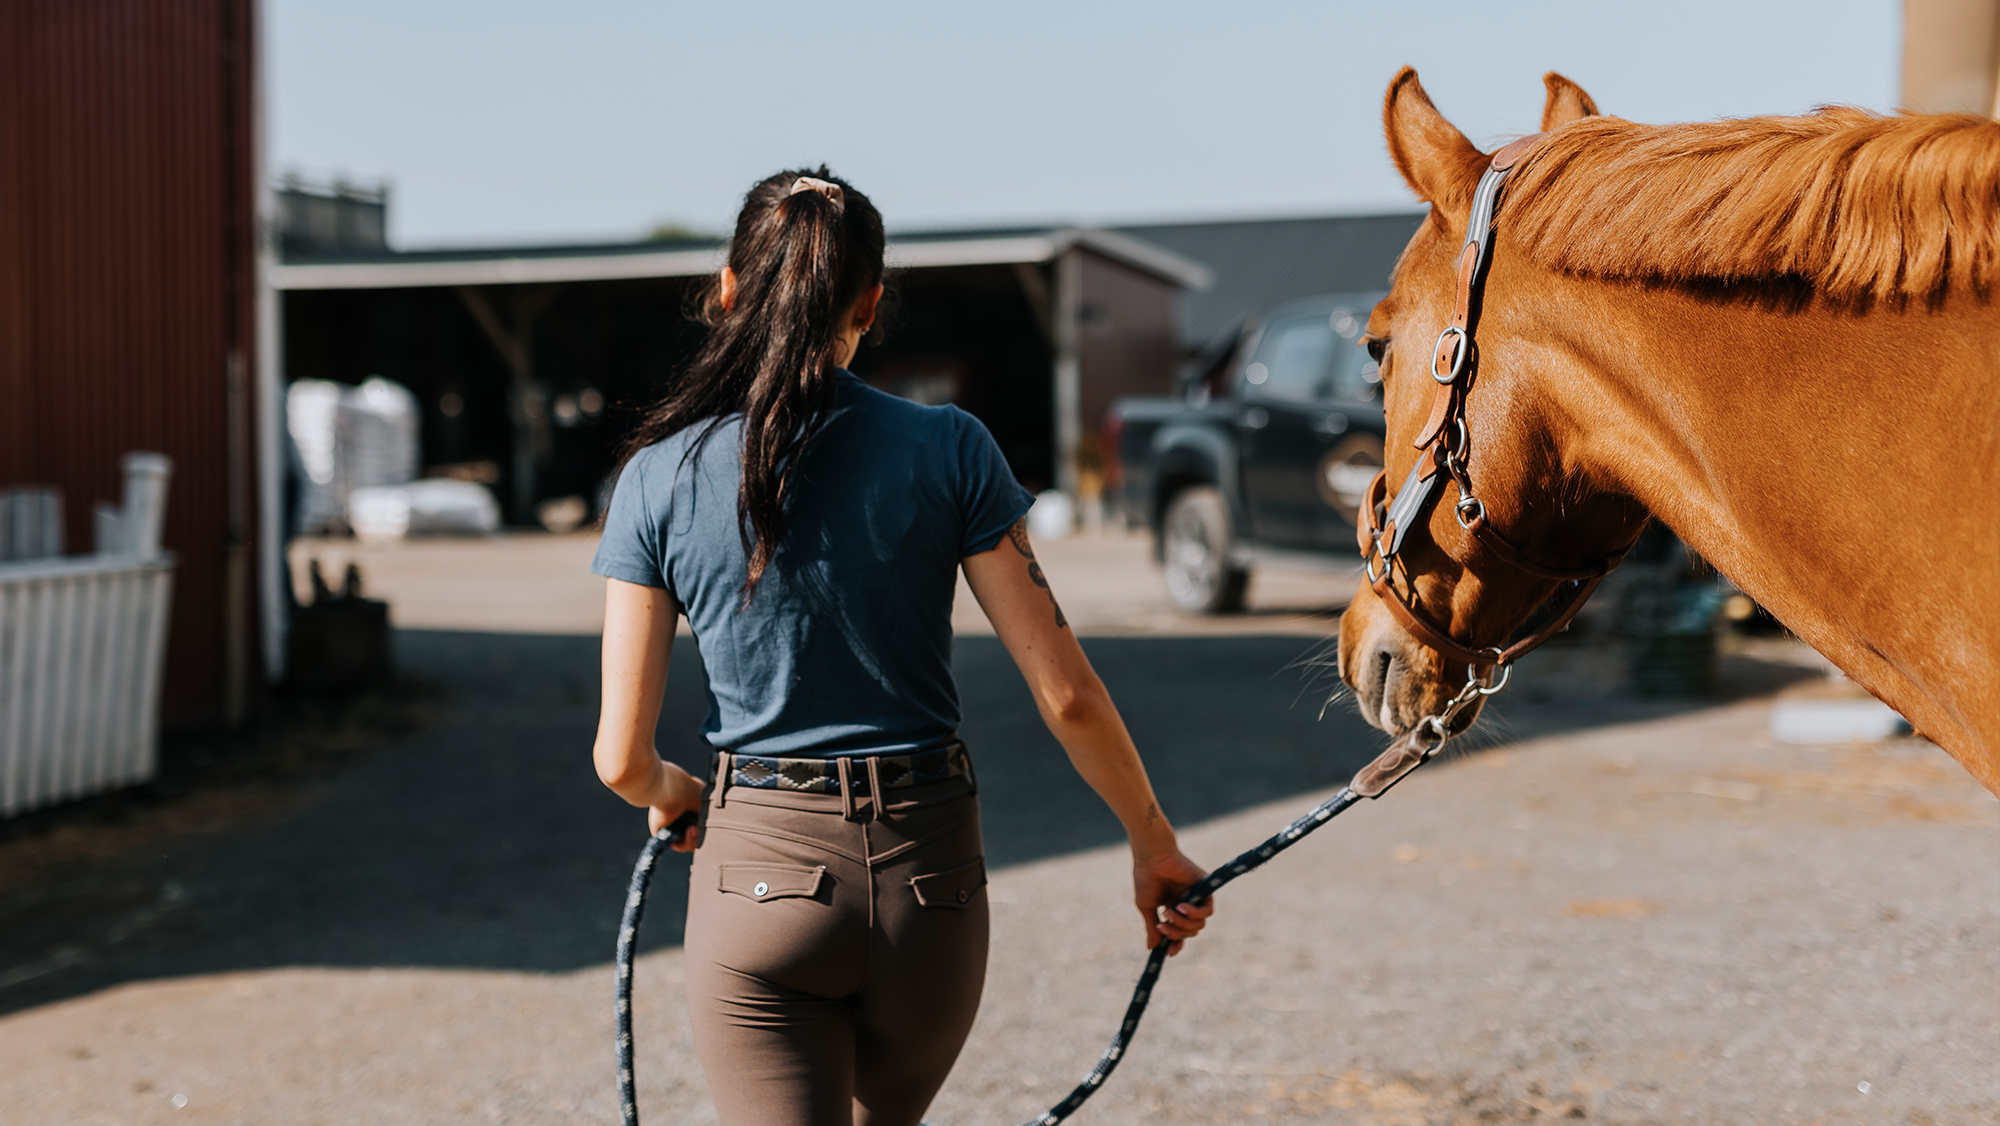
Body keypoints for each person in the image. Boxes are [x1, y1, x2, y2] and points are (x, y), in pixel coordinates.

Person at [589, 167, 1213, 1126]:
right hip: (932, 882)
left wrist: (675, 795)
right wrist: (1152, 844)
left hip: (758, 869)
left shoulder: (656, 478)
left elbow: (621, 760)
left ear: (725, 291)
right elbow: (1069, 697)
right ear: (871, 304)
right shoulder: (952, 449)